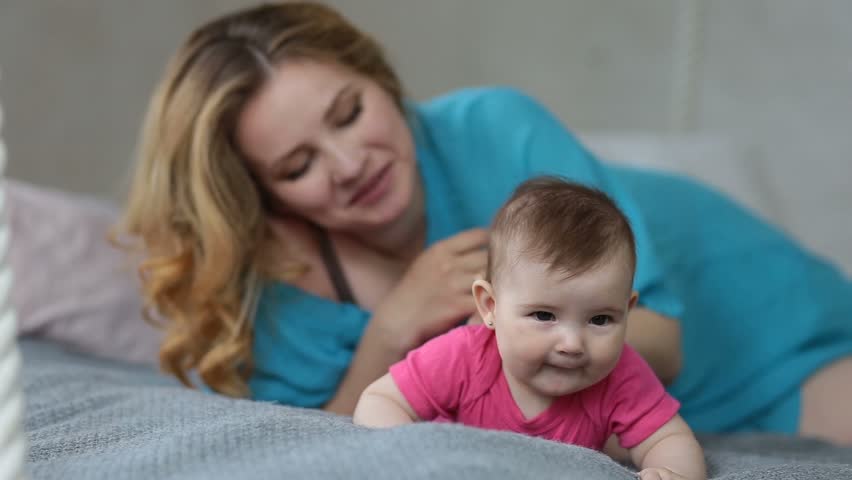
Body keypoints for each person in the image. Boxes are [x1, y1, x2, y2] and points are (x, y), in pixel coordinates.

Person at [118, 1, 852, 445]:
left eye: (351, 112)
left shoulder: (494, 127)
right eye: (298, 166)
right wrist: (393, 328)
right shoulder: (274, 287)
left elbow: (662, 341)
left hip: (757, 323)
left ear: (382, 78)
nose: (349, 163)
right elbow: (318, 443)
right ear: (264, 198)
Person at [353, 177, 707, 480]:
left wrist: (670, 473)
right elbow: (380, 400)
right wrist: (409, 458)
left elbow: (669, 439)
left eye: (600, 319)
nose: (571, 344)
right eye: (543, 315)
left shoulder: (621, 375)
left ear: (627, 312)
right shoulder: (464, 356)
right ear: (490, 306)